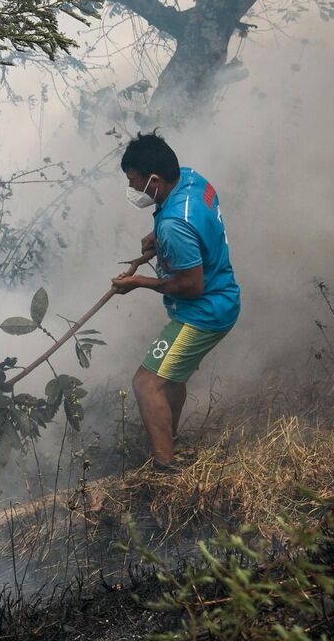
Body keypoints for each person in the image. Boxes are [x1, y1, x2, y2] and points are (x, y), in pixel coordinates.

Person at [110, 133, 241, 470]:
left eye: (134, 182)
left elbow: (191, 286)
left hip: (204, 312)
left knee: (146, 383)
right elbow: (198, 220)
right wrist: (158, 237)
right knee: (171, 377)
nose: (133, 189)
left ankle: (164, 468)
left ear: (154, 180)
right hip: (223, 295)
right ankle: (170, 438)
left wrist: (139, 283)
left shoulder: (175, 224)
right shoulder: (191, 179)